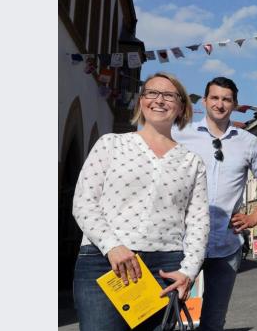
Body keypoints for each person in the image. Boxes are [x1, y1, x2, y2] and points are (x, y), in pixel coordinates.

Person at [72, 72, 210, 331]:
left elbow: (198, 223)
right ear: (141, 101)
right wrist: (113, 246)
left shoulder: (193, 162)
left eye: (169, 95)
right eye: (151, 93)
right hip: (105, 262)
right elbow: (83, 202)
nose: (159, 100)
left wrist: (188, 271)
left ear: (181, 107)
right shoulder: (111, 144)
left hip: (166, 269)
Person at [172, 77, 257, 331]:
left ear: (234, 104)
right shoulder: (181, 134)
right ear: (205, 100)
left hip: (225, 244)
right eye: (215, 98)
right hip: (182, 242)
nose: (220, 104)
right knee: (171, 315)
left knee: (213, 320)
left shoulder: (247, 142)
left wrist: (253, 218)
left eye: (226, 99)